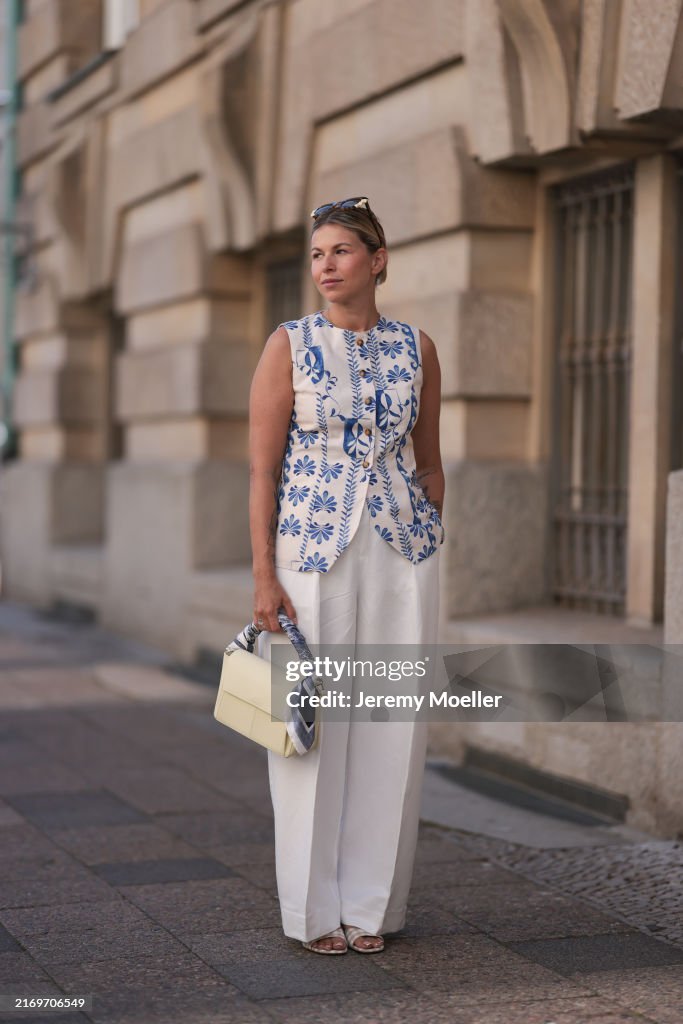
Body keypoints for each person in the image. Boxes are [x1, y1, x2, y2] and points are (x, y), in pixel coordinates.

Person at [248, 196, 445, 954]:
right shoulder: (288, 344)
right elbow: (262, 471)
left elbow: (429, 457)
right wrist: (265, 576)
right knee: (309, 729)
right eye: (316, 254)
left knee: (392, 725)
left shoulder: (417, 347)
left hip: (404, 552)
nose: (325, 267)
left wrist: (431, 529)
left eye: (340, 252)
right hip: (308, 550)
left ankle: (370, 908)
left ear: (377, 259)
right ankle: (310, 911)